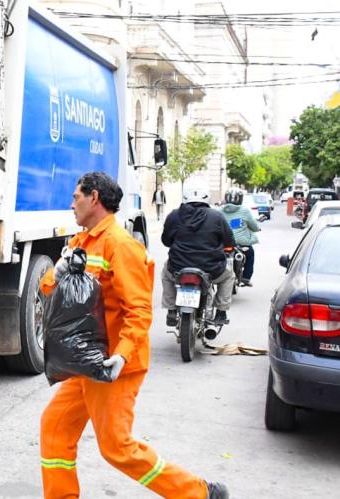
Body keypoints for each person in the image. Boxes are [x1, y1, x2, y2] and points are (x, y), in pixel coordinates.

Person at [39, 172, 228, 499]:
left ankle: (198, 493)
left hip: (114, 365)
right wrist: (57, 272)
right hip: (86, 362)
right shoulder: (80, 242)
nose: (71, 204)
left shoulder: (121, 245)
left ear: (93, 198)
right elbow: (49, 289)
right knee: (54, 427)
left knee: (116, 447)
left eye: (76, 197)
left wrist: (121, 356)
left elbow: (139, 310)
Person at [161, 186, 236, 326]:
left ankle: (171, 309)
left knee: (166, 274)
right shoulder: (217, 216)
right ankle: (221, 312)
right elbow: (229, 241)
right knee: (229, 276)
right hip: (212, 269)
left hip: (178, 268)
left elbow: (166, 241)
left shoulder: (174, 215)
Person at [219, 188, 260, 286]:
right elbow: (254, 226)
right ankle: (246, 278)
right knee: (250, 254)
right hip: (241, 244)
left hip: (223, 243)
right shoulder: (244, 211)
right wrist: (257, 228)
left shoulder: (219, 211)